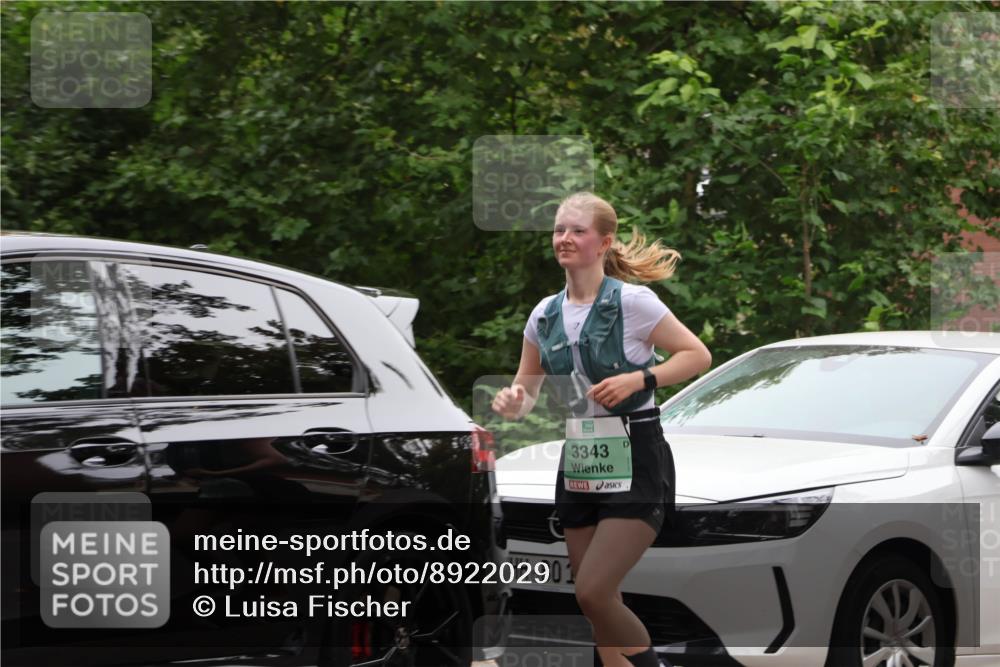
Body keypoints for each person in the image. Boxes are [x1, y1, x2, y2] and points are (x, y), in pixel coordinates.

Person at [491, 192, 712, 667]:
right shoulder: (544, 314)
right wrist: (511, 402)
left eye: (578, 230)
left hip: (636, 450)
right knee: (598, 602)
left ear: (604, 242)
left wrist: (641, 378)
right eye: (559, 230)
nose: (564, 238)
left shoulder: (633, 302)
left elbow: (697, 355)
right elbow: (524, 394)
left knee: (592, 592)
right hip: (580, 456)